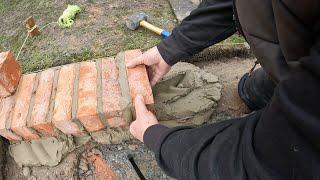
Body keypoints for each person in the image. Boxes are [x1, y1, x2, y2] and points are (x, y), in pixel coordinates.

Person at [127, 0, 320, 179]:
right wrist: (170, 48)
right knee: (252, 90)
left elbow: (257, 162)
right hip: (301, 63)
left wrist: (159, 138)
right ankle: (278, 81)